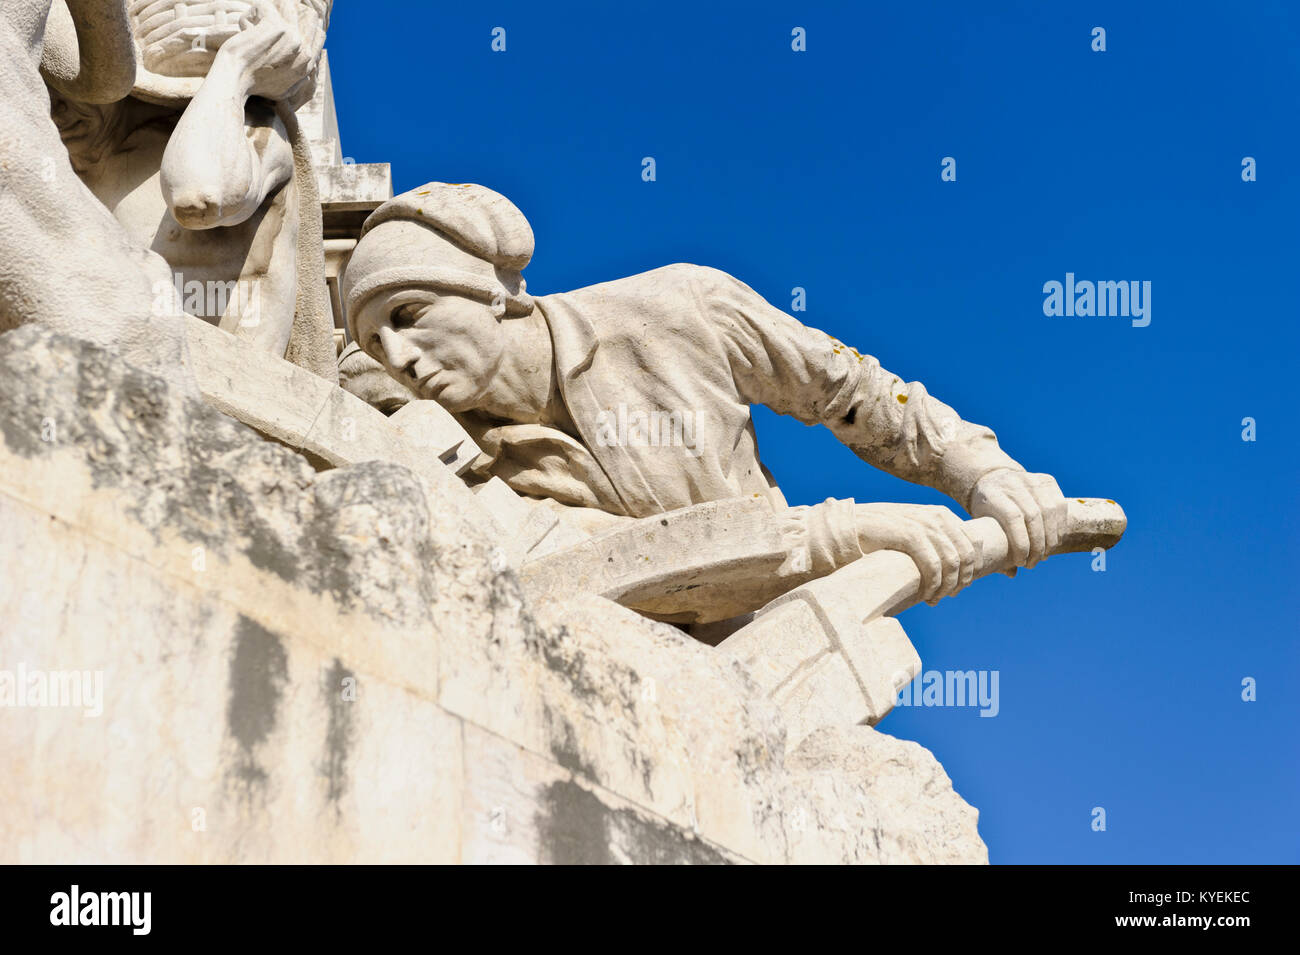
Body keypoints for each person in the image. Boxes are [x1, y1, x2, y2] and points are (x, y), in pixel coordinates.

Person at [342, 182, 1068, 605]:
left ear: (492, 288)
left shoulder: (682, 307)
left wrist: (981, 472)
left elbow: (856, 392)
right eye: (377, 344)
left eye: (410, 316)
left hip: (776, 619)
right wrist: (845, 533)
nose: (401, 357)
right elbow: (622, 560)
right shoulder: (459, 462)